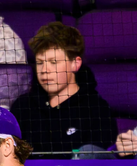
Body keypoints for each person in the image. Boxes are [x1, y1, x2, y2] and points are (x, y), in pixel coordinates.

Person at [10, 22, 117, 158]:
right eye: (40, 62)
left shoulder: (97, 111)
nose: (44, 70)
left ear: (75, 64)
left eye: (53, 62)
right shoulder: (22, 108)